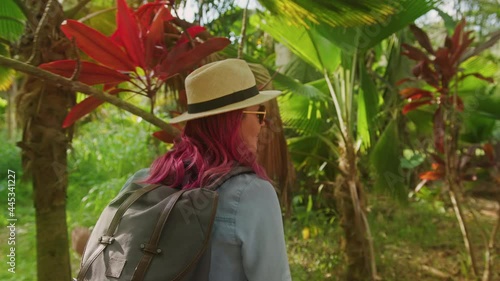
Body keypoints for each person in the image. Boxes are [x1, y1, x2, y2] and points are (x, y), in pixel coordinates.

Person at [126, 58, 292, 281]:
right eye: (259, 114)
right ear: (235, 123)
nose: (262, 125)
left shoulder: (142, 180)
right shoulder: (253, 194)